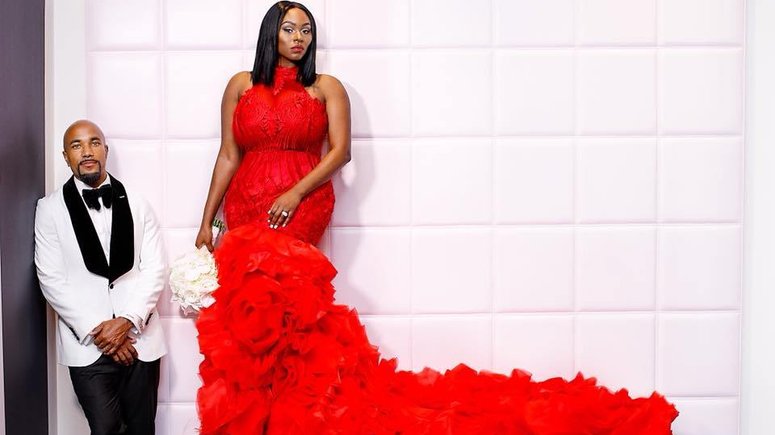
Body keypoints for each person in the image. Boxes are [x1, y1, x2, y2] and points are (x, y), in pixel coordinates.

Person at [194, 2, 678, 433]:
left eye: (306, 30)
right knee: (251, 318)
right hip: (246, 208)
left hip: (300, 207)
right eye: (289, 29)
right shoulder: (241, 85)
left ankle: (301, 417)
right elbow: (229, 155)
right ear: (270, 33)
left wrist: (296, 194)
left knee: (291, 310)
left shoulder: (326, 87)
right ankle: (261, 417)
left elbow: (341, 153)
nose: (299, 38)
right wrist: (206, 221)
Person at [35, 120, 166, 435]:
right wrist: (102, 334)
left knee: (142, 429)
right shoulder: (49, 209)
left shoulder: (138, 202)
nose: (87, 151)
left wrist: (127, 321)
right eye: (76, 145)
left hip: (140, 339)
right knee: (105, 428)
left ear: (105, 150)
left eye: (94, 143)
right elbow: (51, 279)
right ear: (66, 156)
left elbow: (155, 268)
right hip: (87, 345)